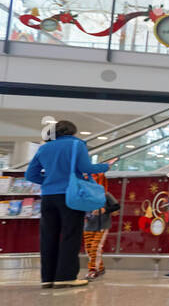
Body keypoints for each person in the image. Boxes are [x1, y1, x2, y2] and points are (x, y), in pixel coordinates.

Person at [26, 120, 110, 288]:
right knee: (70, 235)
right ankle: (65, 277)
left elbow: (30, 174)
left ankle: (47, 278)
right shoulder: (76, 145)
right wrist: (105, 166)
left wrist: (49, 181)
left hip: (48, 197)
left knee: (48, 237)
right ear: (72, 131)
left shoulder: (44, 147)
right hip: (70, 196)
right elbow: (86, 167)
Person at [82, 173, 112, 280]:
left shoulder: (105, 195)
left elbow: (116, 206)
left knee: (96, 247)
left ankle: (93, 270)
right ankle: (100, 267)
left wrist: (105, 210)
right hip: (88, 225)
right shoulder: (85, 196)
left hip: (102, 225)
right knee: (89, 248)